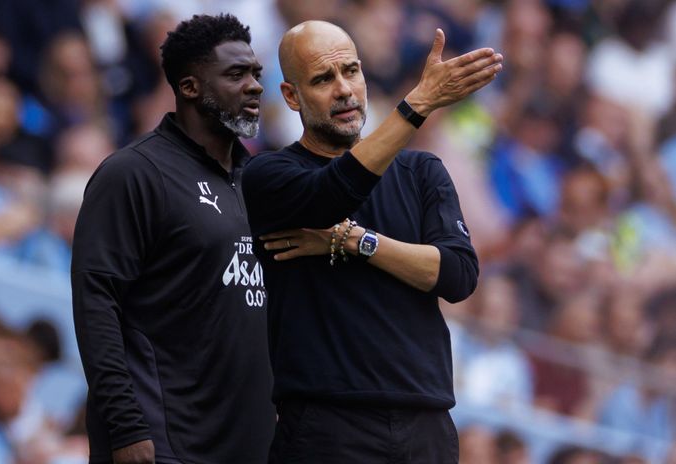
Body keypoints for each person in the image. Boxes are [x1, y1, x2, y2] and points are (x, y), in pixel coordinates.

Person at [242, 21, 502, 462]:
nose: (344, 90)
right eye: (323, 79)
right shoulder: (268, 174)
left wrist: (354, 241)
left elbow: (458, 276)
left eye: (351, 71)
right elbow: (332, 194)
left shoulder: (422, 172)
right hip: (327, 426)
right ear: (291, 96)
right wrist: (418, 104)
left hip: (427, 424)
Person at [71, 14, 273, 464]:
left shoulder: (260, 181)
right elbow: (95, 303)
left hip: (248, 445)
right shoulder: (133, 173)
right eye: (236, 74)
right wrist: (125, 426)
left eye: (256, 73)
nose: (255, 86)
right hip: (163, 442)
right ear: (189, 87)